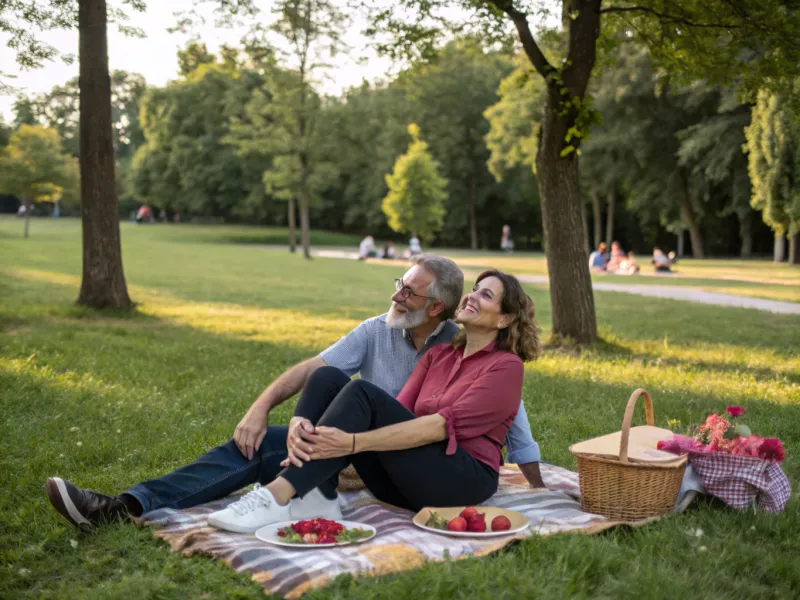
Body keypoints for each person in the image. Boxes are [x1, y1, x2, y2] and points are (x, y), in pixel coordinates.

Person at [45, 255, 545, 530]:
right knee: (274, 429)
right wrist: (263, 410)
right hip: (366, 452)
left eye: (409, 292)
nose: (397, 296)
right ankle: (127, 505)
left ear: (437, 308)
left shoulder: (493, 362)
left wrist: (538, 482)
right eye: (399, 284)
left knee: (361, 397)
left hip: (407, 457)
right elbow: (316, 370)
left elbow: (498, 419)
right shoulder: (394, 335)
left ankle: (288, 490)